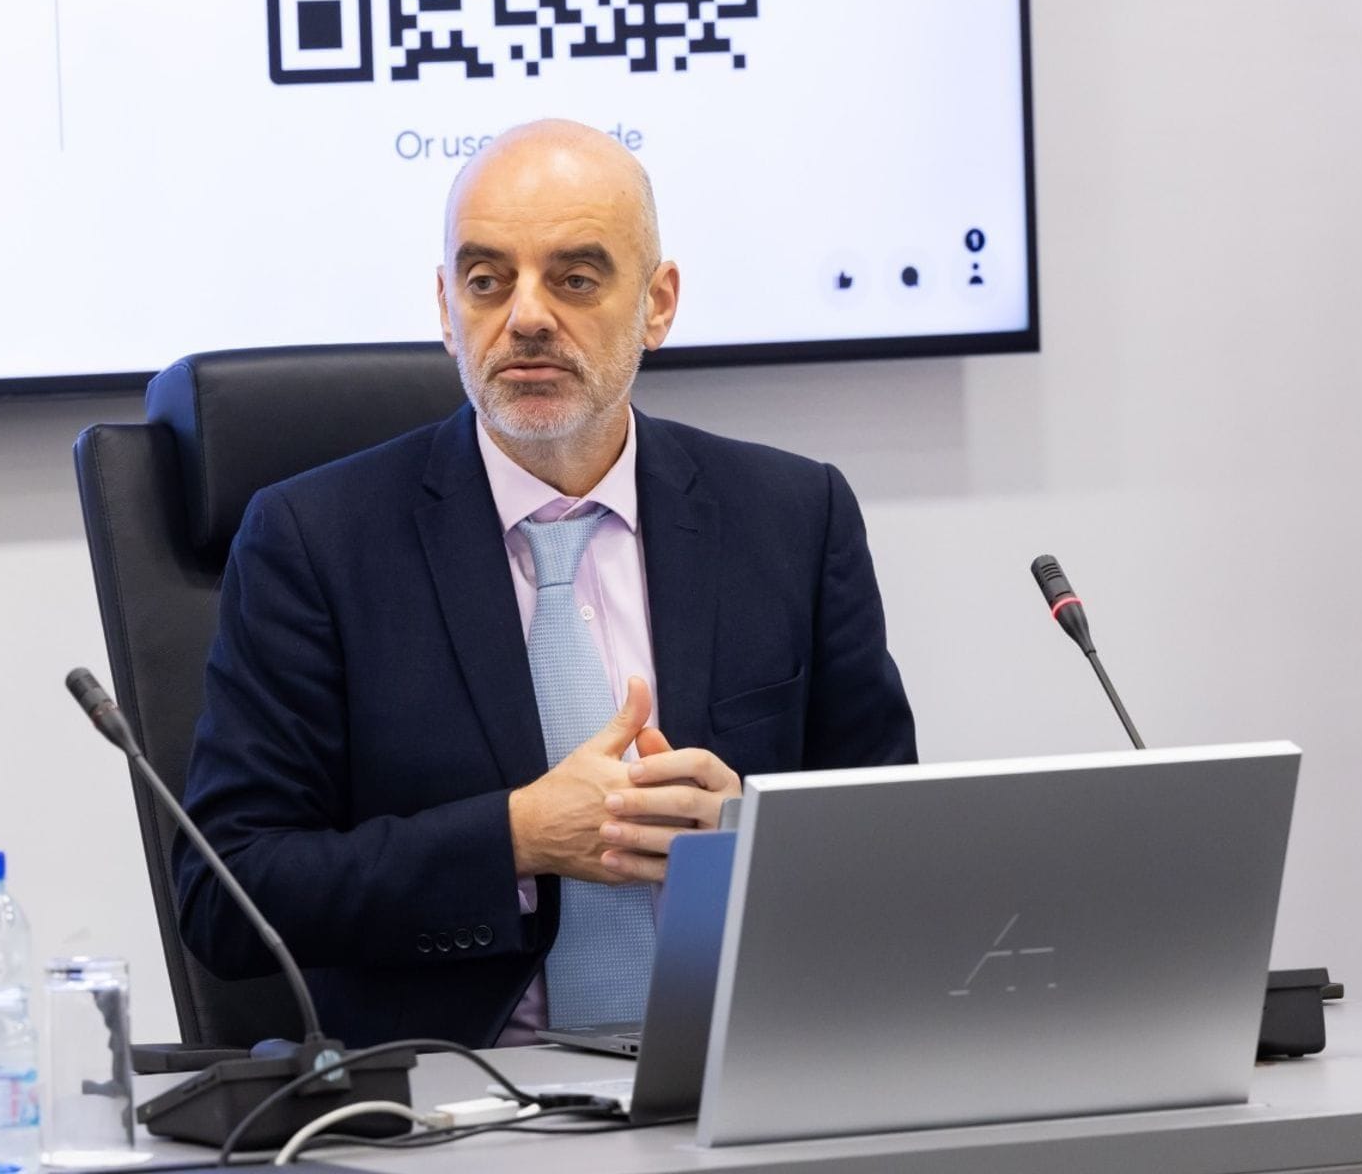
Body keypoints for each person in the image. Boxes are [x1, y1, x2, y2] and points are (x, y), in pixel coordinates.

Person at [176, 119, 915, 1049]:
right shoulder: (314, 541)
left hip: (738, 1069)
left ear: (658, 304)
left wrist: (750, 839)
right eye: (487, 281)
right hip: (462, 1092)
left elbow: (894, 849)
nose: (526, 317)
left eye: (574, 278)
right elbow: (227, 893)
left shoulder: (792, 518)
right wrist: (516, 838)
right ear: (446, 308)